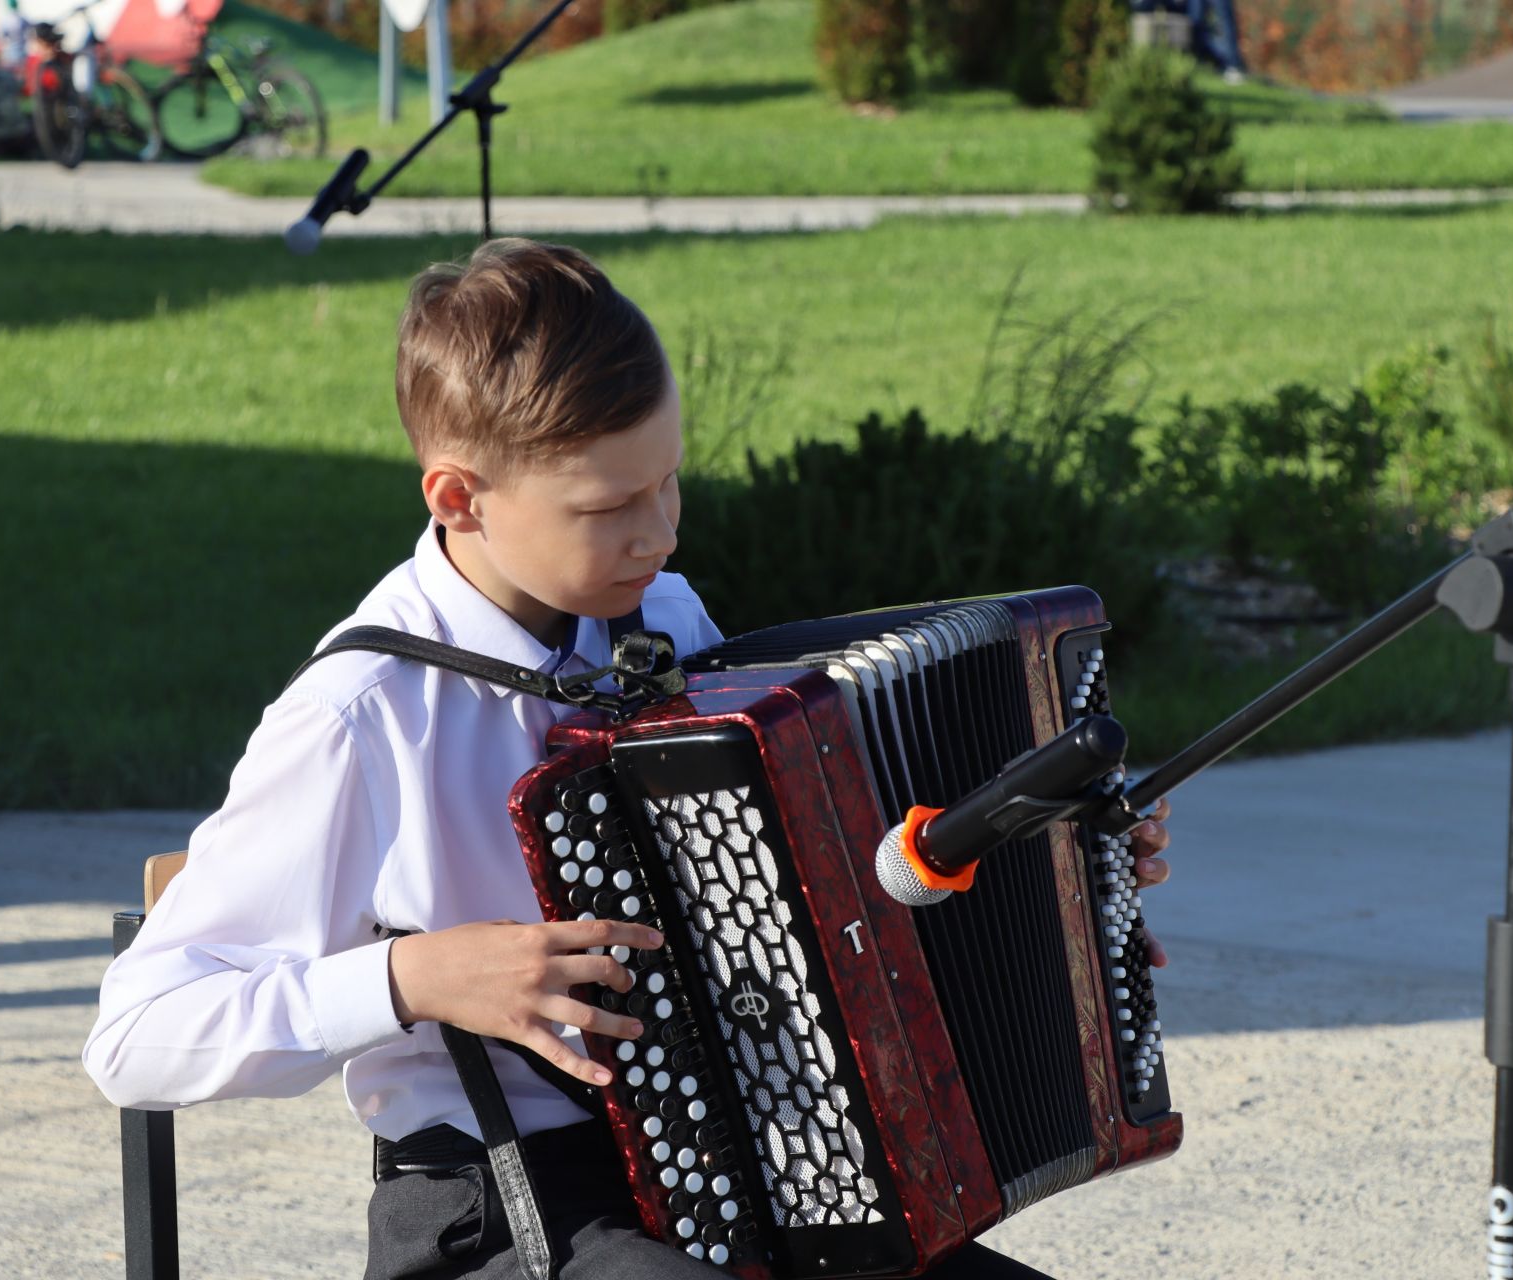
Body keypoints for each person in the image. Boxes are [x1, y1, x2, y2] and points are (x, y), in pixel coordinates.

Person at [84, 239, 1177, 1279]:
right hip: (502, 1214)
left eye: (669, 482)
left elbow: (788, 891)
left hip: (743, 1171)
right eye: (609, 506)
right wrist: (414, 977)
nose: (659, 532)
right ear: (459, 496)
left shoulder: (660, 613)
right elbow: (136, 1036)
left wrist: (1052, 866)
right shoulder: (364, 712)